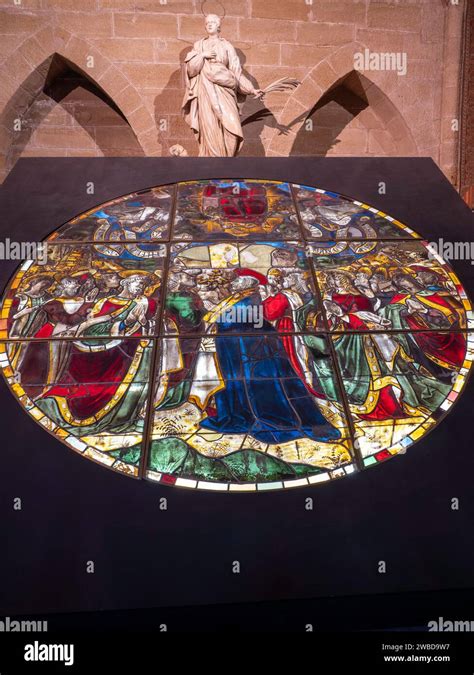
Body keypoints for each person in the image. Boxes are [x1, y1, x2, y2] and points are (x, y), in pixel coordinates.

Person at [182, 13, 264, 157]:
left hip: (225, 90)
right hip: (205, 91)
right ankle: (212, 160)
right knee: (209, 125)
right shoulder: (199, 45)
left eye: (213, 22)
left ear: (219, 25)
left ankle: (227, 160)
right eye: (207, 22)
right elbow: (191, 70)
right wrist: (202, 55)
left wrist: (251, 89)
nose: (209, 24)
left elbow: (236, 73)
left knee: (232, 127)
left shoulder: (226, 46)